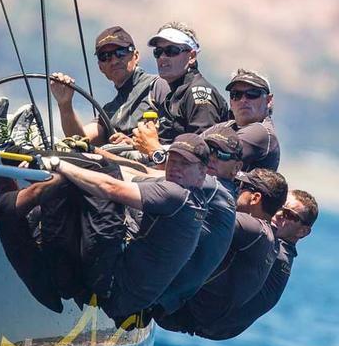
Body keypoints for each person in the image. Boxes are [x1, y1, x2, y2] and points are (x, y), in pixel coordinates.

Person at [35, 133, 210, 322]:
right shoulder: (197, 199)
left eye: (184, 163)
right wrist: (94, 155)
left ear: (202, 172)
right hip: (126, 300)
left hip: (109, 287)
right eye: (172, 160)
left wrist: (57, 163)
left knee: (97, 174)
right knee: (104, 168)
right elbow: (128, 175)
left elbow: (111, 188)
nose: (175, 168)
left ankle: (26, 154)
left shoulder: (175, 195)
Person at [157, 168, 288, 334]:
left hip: (178, 311)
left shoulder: (254, 229)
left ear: (255, 198)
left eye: (241, 186)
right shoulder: (268, 237)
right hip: (191, 315)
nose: (235, 190)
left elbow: (202, 214)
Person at [195, 190, 318, 340]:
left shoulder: (273, 248)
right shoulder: (282, 252)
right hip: (216, 327)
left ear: (303, 231)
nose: (279, 214)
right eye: (279, 206)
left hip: (202, 318)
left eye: (289, 215)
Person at [149, 126, 242, 316]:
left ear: (237, 168)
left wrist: (96, 155)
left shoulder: (214, 187)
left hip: (154, 296)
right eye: (208, 150)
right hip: (164, 300)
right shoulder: (218, 190)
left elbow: (145, 177)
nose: (212, 157)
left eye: (222, 154)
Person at [134, 68, 281, 171]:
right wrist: (139, 143)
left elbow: (199, 160)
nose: (243, 100)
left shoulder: (260, 132)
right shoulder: (226, 126)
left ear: (268, 100)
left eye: (252, 94)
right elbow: (189, 145)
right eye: (236, 94)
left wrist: (155, 150)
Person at [48, 25, 169, 145]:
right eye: (105, 56)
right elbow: (79, 140)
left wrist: (133, 143)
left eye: (120, 53)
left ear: (136, 56)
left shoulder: (157, 86)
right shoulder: (109, 111)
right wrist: (65, 104)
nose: (114, 61)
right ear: (100, 67)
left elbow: (176, 131)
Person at [126, 21, 229, 152]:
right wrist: (138, 143)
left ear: (191, 56)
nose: (162, 57)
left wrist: (154, 150)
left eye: (171, 51)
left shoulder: (198, 93)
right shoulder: (173, 95)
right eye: (158, 52)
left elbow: (203, 156)